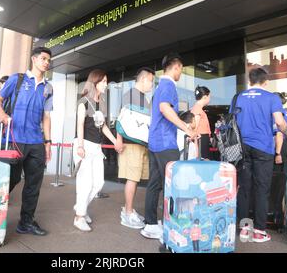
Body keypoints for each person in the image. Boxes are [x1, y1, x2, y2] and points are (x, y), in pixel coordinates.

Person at [0, 46, 53, 236]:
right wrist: (2, 115)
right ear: (34, 59)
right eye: (44, 58)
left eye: (48, 60)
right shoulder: (17, 80)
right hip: (15, 139)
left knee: (33, 184)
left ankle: (26, 222)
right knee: (8, 180)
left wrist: (48, 142)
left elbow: (46, 117)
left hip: (36, 141)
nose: (47, 62)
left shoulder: (48, 87)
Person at [141, 53, 197, 240]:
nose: (181, 73)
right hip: (165, 143)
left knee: (155, 183)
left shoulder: (159, 87)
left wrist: (183, 126)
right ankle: (169, 226)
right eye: (181, 69)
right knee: (170, 185)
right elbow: (165, 109)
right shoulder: (168, 85)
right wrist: (186, 129)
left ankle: (150, 224)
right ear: (176, 67)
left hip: (156, 142)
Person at [235, 68, 287, 243]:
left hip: (243, 148)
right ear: (265, 81)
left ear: (250, 80)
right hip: (263, 148)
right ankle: (260, 231)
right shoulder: (271, 97)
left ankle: (245, 228)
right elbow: (279, 122)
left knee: (245, 188)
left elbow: (235, 120)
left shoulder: (240, 97)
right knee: (262, 189)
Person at [73, 69, 118, 232]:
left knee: (98, 183)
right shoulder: (83, 102)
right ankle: (79, 216)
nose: (106, 84)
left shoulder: (102, 102)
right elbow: (79, 125)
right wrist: (80, 146)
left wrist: (115, 142)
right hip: (83, 144)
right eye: (103, 81)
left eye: (106, 81)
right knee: (85, 183)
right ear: (94, 82)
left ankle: (81, 207)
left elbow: (103, 126)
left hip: (97, 147)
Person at [116, 67, 155, 229]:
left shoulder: (142, 98)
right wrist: (119, 141)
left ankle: (128, 209)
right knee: (132, 178)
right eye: (151, 81)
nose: (152, 85)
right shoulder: (131, 95)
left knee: (135, 178)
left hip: (140, 145)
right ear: (144, 79)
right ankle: (128, 213)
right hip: (131, 145)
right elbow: (121, 119)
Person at [191, 86, 212, 159]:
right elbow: (194, 129)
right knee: (204, 162)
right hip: (201, 140)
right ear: (205, 97)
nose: (210, 99)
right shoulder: (197, 109)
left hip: (202, 139)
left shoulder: (198, 108)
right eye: (209, 97)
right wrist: (196, 147)